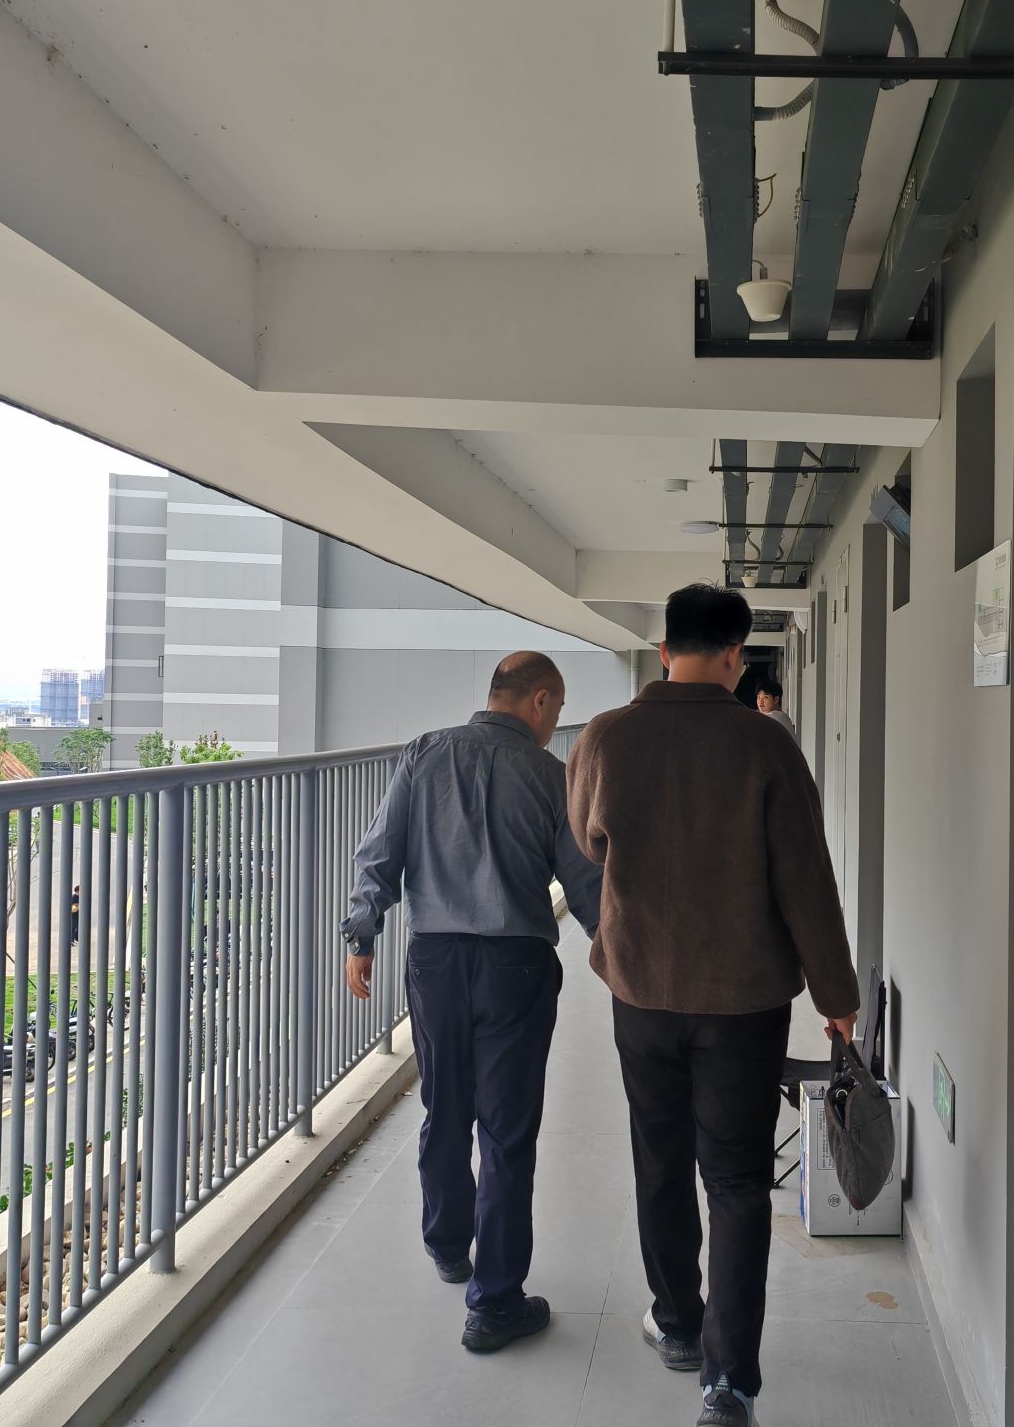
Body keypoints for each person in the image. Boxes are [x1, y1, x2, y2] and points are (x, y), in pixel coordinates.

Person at [567, 585, 859, 1427]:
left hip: (642, 991)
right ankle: (728, 1385)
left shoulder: (604, 737)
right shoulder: (765, 745)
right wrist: (837, 997)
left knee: (659, 1161)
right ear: (735, 655)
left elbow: (588, 839)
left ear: (664, 651)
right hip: (743, 1001)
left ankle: (677, 1322)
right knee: (735, 1181)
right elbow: (806, 879)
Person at [345, 651, 602, 1355]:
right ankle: (494, 1302)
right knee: (507, 1132)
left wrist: (362, 933)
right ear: (540, 702)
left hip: (435, 961)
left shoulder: (424, 753)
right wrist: (620, 959)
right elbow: (585, 885)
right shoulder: (551, 776)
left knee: (445, 1106)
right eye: (556, 709)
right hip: (515, 968)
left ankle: (448, 1243)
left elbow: (381, 850)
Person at [752, 677, 798, 743]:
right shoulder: (781, 716)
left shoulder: (776, 717)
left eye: (765, 697)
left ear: (776, 699)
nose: (760, 701)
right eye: (758, 697)